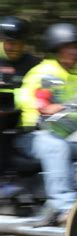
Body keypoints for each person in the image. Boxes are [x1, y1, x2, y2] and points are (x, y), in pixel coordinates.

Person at [14, 22, 77, 224]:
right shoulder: (45, 71)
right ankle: (65, 208)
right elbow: (30, 97)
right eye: (70, 47)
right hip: (36, 134)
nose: (76, 51)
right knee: (57, 147)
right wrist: (45, 106)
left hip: (73, 134)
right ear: (57, 48)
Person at [0, 16, 40, 196]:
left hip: (23, 117)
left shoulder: (34, 64)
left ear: (24, 42)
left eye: (15, 43)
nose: (10, 47)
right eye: (6, 42)